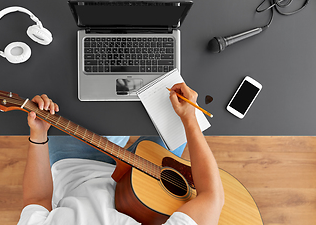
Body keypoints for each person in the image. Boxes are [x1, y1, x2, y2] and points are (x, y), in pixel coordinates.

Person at [17, 83, 224, 225]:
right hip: (147, 192)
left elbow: (37, 199)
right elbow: (212, 197)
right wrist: (190, 119)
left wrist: (39, 134)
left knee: (86, 89)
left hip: (76, 167)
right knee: (170, 107)